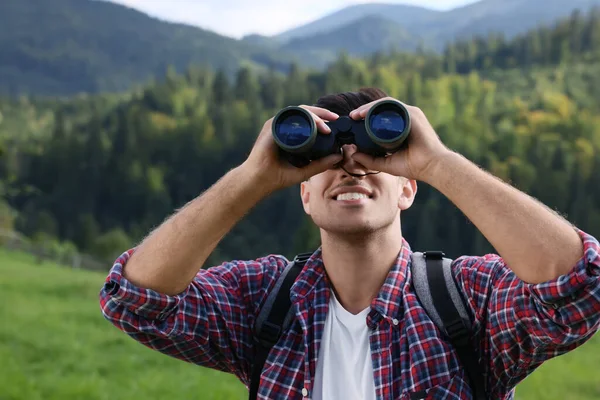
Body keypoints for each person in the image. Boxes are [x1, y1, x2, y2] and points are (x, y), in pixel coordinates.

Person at [99, 87, 600, 399]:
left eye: (374, 156)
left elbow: (579, 288)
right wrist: (252, 177)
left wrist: (436, 161)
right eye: (327, 162)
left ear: (407, 188)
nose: (351, 166)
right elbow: (138, 302)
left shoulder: (467, 297)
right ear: (304, 195)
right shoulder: (264, 299)